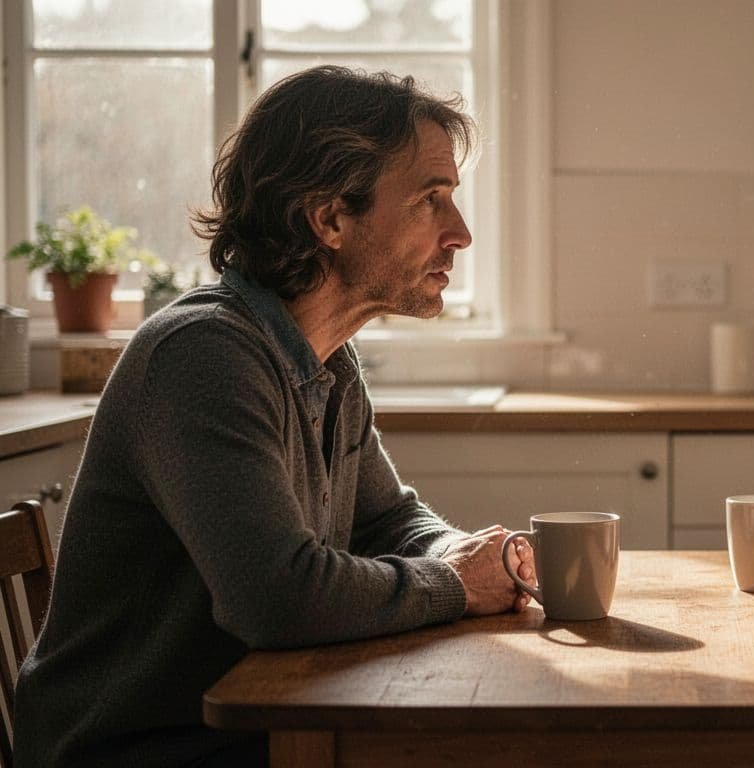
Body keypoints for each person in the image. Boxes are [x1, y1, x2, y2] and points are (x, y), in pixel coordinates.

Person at [14, 65, 535, 767]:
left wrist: (464, 554)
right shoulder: (201, 356)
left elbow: (388, 521)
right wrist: (455, 585)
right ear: (329, 219)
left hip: (249, 723)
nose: (461, 233)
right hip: (136, 748)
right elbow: (278, 598)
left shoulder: (326, 361)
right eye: (430, 199)